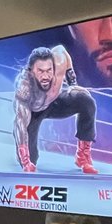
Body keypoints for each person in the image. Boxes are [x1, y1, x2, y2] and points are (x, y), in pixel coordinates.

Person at [13, 45, 98, 175]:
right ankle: (27, 160)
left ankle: (83, 156)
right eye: (40, 71)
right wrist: (25, 161)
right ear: (31, 71)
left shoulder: (59, 59)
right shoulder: (25, 87)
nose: (46, 76)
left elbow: (62, 50)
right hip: (34, 112)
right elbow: (20, 124)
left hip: (54, 104)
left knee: (85, 100)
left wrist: (72, 84)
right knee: (31, 160)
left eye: (49, 70)